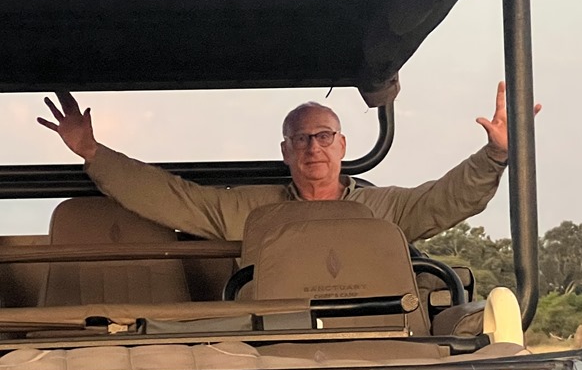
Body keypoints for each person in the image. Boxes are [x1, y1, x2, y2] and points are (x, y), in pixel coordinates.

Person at [37, 84, 540, 243]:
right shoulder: (249, 210)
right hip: (272, 343)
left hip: (368, 337)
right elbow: (174, 199)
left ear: (342, 145)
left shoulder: (386, 210)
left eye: (323, 137)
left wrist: (495, 153)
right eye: (300, 139)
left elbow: (448, 199)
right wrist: (94, 153)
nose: (312, 148)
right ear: (285, 151)